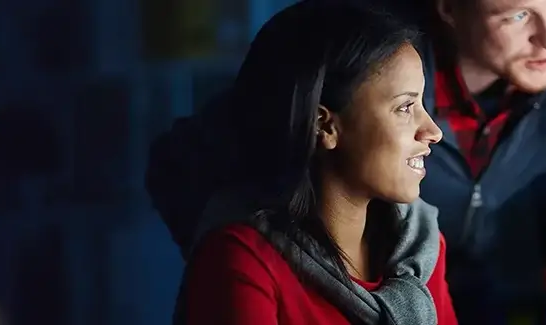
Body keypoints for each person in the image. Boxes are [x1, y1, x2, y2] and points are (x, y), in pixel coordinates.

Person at [147, 0, 546, 324]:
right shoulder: (376, 52)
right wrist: (274, 263)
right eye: (516, 15)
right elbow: (193, 159)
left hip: (458, 278)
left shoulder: (420, 242)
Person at [170, 2, 456, 324]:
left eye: (421, 103)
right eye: (405, 107)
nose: (433, 131)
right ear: (325, 126)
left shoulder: (421, 247)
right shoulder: (243, 261)